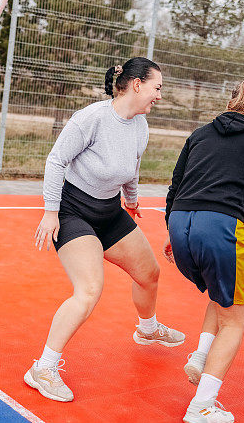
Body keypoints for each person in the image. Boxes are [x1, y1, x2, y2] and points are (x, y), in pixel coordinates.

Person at [25, 57, 185, 403]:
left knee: (149, 273)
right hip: (73, 212)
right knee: (89, 289)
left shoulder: (140, 126)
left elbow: (131, 168)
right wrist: (50, 213)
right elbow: (56, 161)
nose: (160, 95)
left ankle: (147, 330)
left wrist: (132, 199)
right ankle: (43, 368)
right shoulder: (92, 118)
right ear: (137, 84)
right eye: (157, 87)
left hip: (109, 212)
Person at [163, 79, 244, 423]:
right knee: (236, 318)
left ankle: (201, 354)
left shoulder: (200, 134)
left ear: (232, 102)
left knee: (223, 293)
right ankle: (202, 405)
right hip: (220, 229)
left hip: (181, 224)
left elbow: (175, 187)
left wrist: (172, 234)